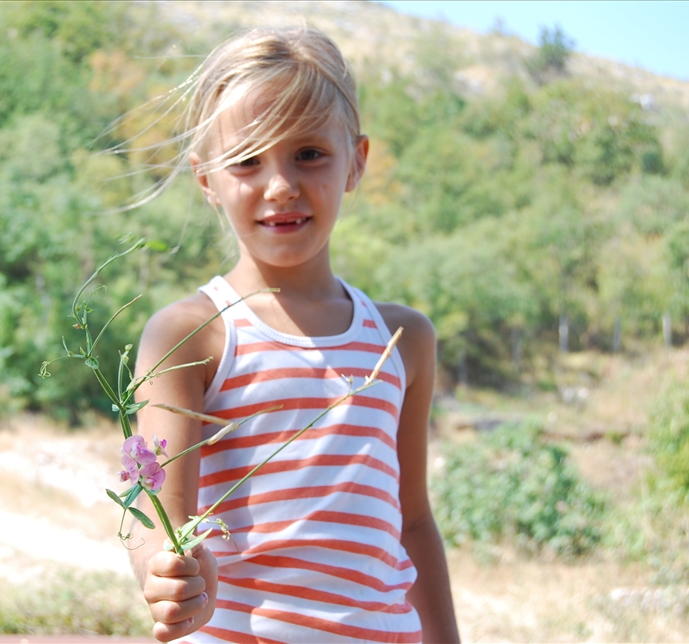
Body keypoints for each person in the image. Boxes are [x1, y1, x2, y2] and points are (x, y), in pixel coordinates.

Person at [129, 26, 460, 644]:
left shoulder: (403, 339)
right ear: (206, 180)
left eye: (309, 153)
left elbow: (412, 520)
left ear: (356, 162)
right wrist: (165, 572)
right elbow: (158, 518)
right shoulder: (191, 335)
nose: (280, 185)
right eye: (247, 160)